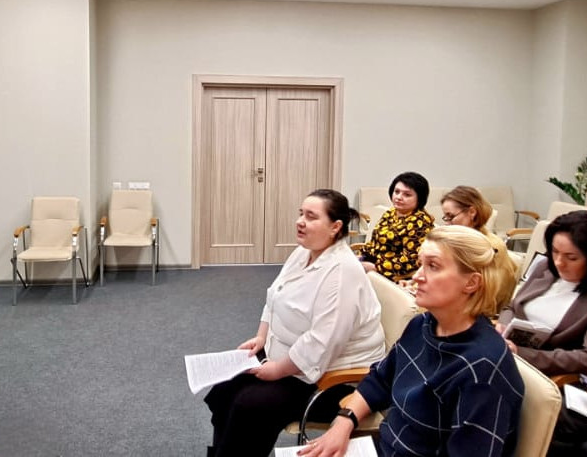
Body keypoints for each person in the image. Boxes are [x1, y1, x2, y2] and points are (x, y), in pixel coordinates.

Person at [299, 226, 523, 457]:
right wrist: (343, 422)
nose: (417, 276)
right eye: (420, 264)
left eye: (433, 266)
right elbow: (381, 379)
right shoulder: (423, 324)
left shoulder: (483, 370)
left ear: (471, 283)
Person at [205, 189, 385, 457]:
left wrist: (277, 370)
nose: (300, 221)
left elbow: (321, 343)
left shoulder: (342, 272)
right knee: (224, 390)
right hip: (290, 358)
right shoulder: (303, 252)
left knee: (250, 406)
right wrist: (261, 338)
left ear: (335, 227)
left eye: (311, 217)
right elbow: (274, 297)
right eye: (301, 214)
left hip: (332, 379)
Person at [498, 210, 587, 375]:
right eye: (555, 251)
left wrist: (521, 354)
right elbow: (512, 307)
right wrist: (503, 327)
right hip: (507, 356)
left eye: (571, 258)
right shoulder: (546, 267)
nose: (558, 262)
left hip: (548, 375)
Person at [360, 171, 434, 280]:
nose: (399, 197)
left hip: (393, 273)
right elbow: (375, 242)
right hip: (372, 263)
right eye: (397, 192)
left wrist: (376, 267)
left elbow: (411, 261)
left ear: (419, 198)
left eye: (407, 195)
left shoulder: (420, 222)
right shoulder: (391, 212)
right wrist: (361, 256)